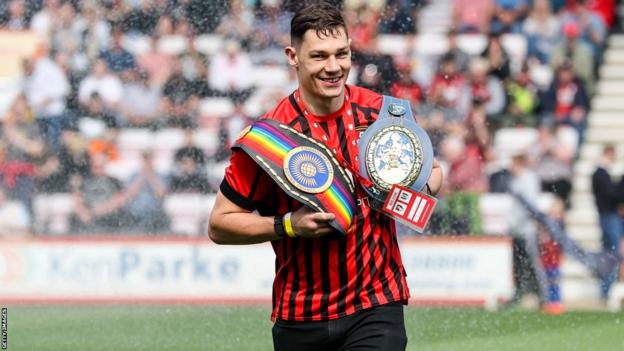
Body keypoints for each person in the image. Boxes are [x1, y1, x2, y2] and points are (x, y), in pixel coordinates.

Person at [208, 3, 443, 351]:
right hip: (300, 316)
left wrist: (410, 189)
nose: (333, 67)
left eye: (342, 54)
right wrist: (288, 224)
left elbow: (432, 174)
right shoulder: (269, 139)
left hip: (376, 303)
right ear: (293, 56)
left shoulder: (380, 113)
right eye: (319, 56)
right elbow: (219, 224)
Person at [591, 145, 624, 301]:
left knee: (608, 254)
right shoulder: (600, 174)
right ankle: (608, 290)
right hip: (608, 217)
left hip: (606, 216)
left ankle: (606, 290)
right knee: (613, 254)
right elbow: (613, 194)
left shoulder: (600, 174)